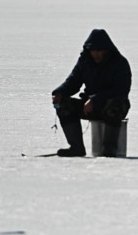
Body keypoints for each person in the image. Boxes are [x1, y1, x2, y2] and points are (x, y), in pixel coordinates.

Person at [51, 29, 131, 157]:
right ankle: (76, 147)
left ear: (107, 50)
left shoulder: (120, 63)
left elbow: (121, 91)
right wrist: (60, 92)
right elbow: (73, 81)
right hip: (89, 107)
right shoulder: (85, 61)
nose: (96, 54)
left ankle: (109, 148)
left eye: (99, 51)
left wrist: (95, 99)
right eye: (93, 51)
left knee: (115, 104)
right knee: (64, 104)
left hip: (111, 106)